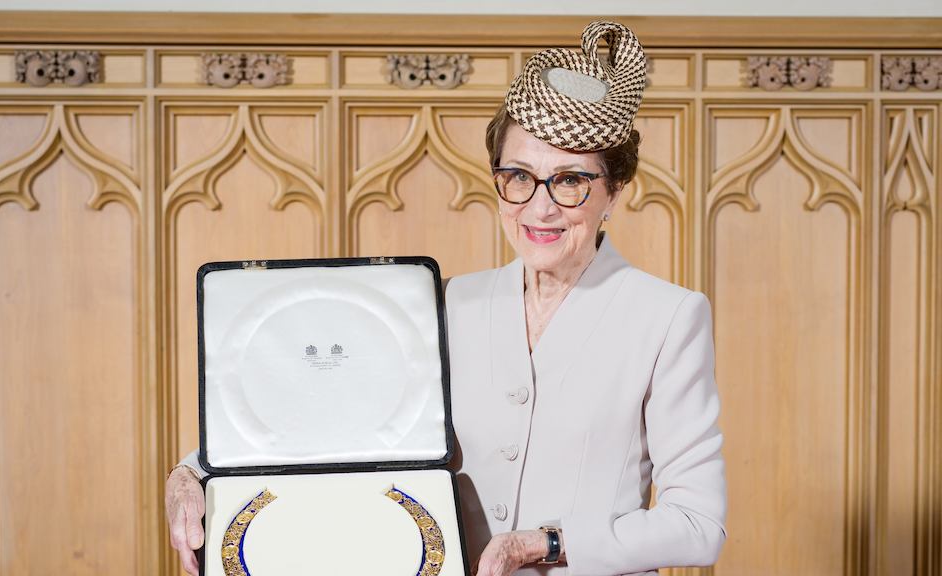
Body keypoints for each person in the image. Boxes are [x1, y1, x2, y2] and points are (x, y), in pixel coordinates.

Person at [165, 20, 726, 576]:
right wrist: (194, 473)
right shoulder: (451, 302)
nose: (540, 207)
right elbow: (327, 417)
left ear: (614, 192)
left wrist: (543, 544)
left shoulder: (668, 317)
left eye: (571, 180)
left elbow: (698, 524)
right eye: (519, 176)